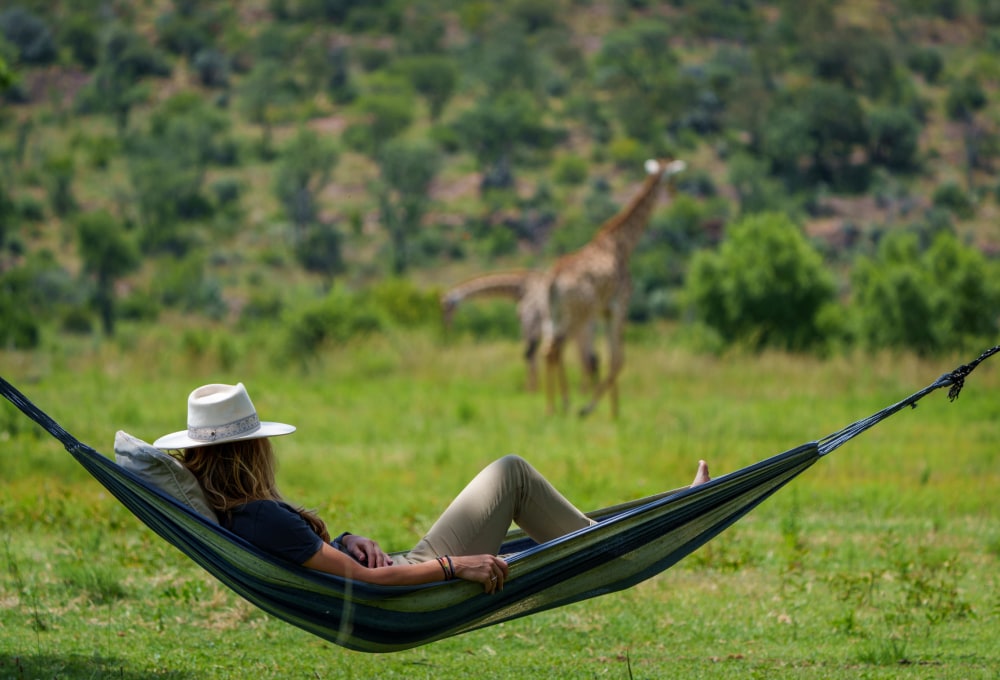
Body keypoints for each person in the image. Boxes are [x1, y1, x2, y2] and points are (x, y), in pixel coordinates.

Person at [154, 382, 711, 594]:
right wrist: (457, 566)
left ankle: (638, 526)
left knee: (512, 475)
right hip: (413, 584)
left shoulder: (242, 513)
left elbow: (329, 562)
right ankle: (626, 543)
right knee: (511, 472)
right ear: (252, 448)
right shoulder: (259, 517)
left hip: (399, 569)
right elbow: (369, 585)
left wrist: (348, 538)